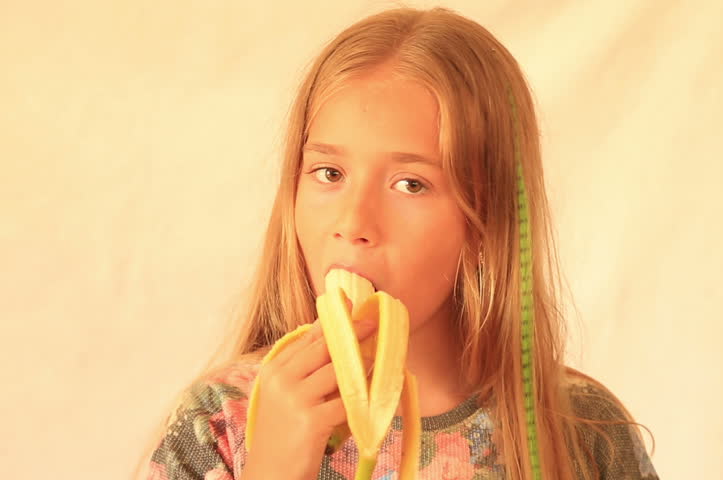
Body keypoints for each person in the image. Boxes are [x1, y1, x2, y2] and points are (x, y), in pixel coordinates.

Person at [138, 6, 658, 480]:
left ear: (485, 225)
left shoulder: (584, 432)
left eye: (410, 184)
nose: (353, 222)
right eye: (329, 172)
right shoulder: (218, 422)